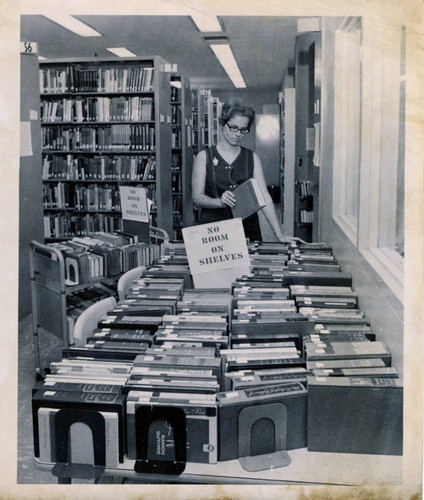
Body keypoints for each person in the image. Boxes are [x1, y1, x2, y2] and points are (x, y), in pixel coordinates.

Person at [192, 97, 301, 243]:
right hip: (214, 232)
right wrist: (219, 202)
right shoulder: (204, 157)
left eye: (243, 130)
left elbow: (264, 196)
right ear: (222, 124)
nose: (238, 134)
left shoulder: (252, 157)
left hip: (247, 229)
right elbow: (197, 197)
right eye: (233, 128)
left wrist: (278, 233)